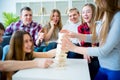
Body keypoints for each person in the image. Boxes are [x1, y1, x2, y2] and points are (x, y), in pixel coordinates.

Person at [61, 0, 120, 80]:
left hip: (115, 70)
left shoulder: (117, 17)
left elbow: (103, 51)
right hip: (103, 67)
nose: (94, 1)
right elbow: (97, 37)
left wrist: (73, 48)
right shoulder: (106, 15)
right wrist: (75, 35)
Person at [78, 3, 99, 80]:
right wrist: (86, 51)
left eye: (88, 12)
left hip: (98, 51)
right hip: (86, 51)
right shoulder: (80, 27)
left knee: (95, 62)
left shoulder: (99, 25)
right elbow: (83, 43)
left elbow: (100, 42)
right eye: (83, 12)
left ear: (94, 13)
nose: (85, 14)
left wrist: (94, 47)